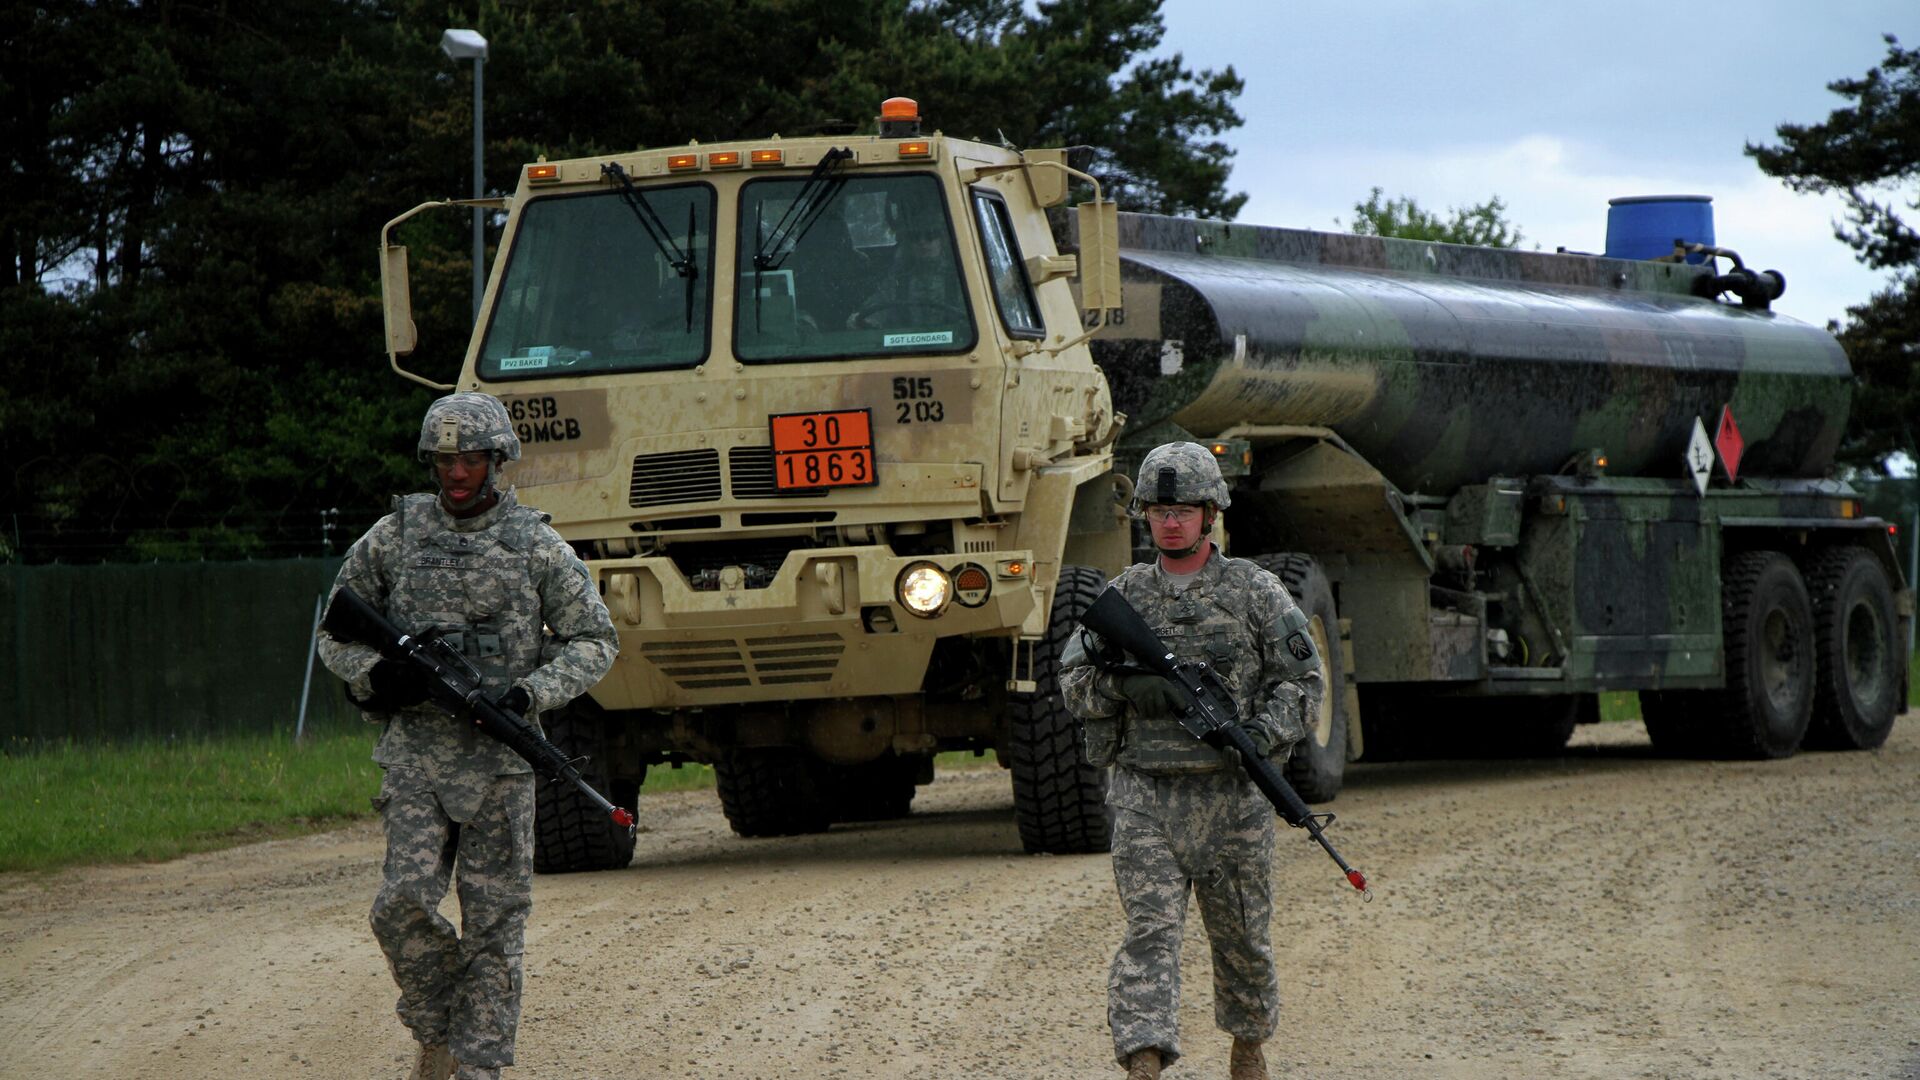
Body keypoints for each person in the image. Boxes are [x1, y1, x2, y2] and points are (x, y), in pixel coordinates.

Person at [317, 392, 618, 1080]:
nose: (457, 473)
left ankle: (477, 1067)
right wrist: (374, 676)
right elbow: (334, 631)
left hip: (500, 765)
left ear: (498, 459)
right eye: (446, 459)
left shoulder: (535, 543)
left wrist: (528, 693)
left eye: (471, 459)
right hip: (417, 760)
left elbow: (596, 640)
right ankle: (439, 1027)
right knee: (400, 906)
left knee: (494, 929)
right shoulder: (394, 537)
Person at [1060, 441, 1322, 1080]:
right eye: (1158, 509)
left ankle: (1248, 1044)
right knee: (1149, 933)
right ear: (1143, 516)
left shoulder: (1253, 592)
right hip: (1146, 796)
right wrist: (1125, 687)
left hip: (1232, 800)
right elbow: (1072, 683)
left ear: (1211, 515)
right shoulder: (1123, 598)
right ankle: (1144, 1057)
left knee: (1243, 945)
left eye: (1184, 509)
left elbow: (1304, 681)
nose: (1170, 521)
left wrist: (1261, 732)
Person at [845, 216, 964, 329]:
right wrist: (862, 319)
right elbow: (879, 305)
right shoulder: (899, 278)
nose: (922, 242)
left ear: (942, 240)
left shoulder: (961, 277)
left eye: (930, 235)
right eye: (915, 236)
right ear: (909, 243)